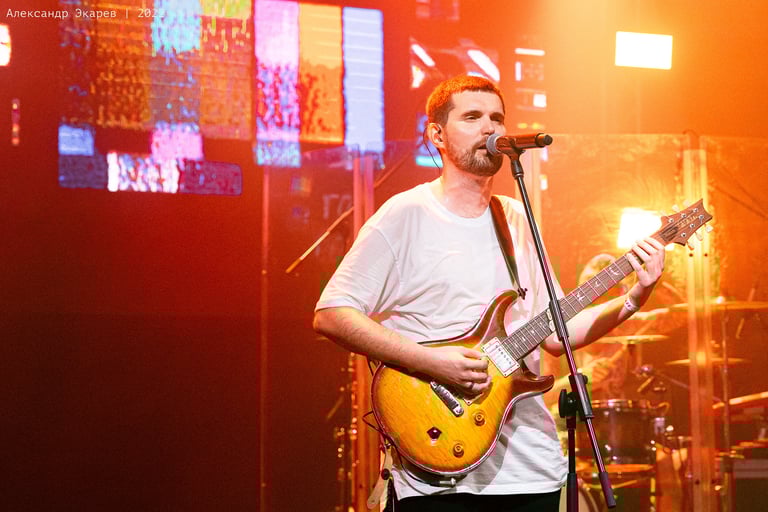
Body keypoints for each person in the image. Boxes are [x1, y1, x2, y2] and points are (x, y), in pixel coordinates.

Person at [313, 75, 666, 512]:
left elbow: (557, 333)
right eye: (472, 117)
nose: (489, 128)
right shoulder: (405, 214)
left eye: (497, 118)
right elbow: (332, 313)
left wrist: (634, 298)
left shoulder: (514, 217)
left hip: (529, 470)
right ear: (436, 135)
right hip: (438, 469)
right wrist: (430, 361)